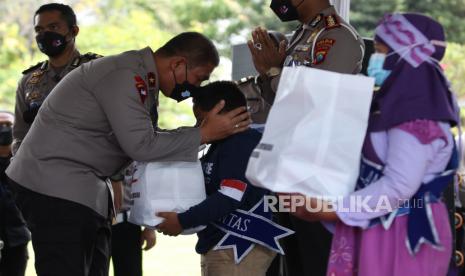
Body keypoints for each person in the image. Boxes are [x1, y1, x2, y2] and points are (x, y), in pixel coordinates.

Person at [7, 32, 250, 276]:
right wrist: (203, 135)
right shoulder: (125, 74)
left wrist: (201, 133)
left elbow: (145, 137)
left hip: (80, 191)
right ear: (178, 64)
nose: (195, 88)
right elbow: (142, 146)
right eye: (198, 79)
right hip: (55, 189)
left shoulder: (142, 78)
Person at [289, 13, 458, 276]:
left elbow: (400, 185)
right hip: (382, 225)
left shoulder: (417, 112)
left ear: (404, 56)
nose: (374, 59)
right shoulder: (396, 107)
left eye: (380, 51)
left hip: (403, 233)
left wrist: (334, 210)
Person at [247, 1, 365, 275]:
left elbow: (318, 98)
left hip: (319, 171)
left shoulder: (336, 36)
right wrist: (267, 73)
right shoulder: (303, 34)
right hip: (292, 166)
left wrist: (275, 72)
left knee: (318, 259)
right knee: (295, 261)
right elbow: (278, 100)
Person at [157, 81, 278, 276]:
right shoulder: (220, 144)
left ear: (220, 110)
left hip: (238, 247)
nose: (198, 127)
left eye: (201, 120)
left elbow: (229, 196)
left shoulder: (241, 143)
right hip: (221, 244)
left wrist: (182, 221)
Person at [13, 3, 101, 154]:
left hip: (87, 166)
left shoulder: (98, 70)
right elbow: (20, 135)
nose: (45, 34)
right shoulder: (28, 80)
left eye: (53, 27)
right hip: (39, 168)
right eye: (39, 30)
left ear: (73, 31)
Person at [111, 163, 156, 276]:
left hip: (127, 223)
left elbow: (146, 185)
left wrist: (149, 226)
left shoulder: (133, 150)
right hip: (96, 221)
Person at [0, 111, 30, 276]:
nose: (4, 130)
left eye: (8, 125)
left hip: (17, 240)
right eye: (0, 126)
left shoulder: (25, 163)